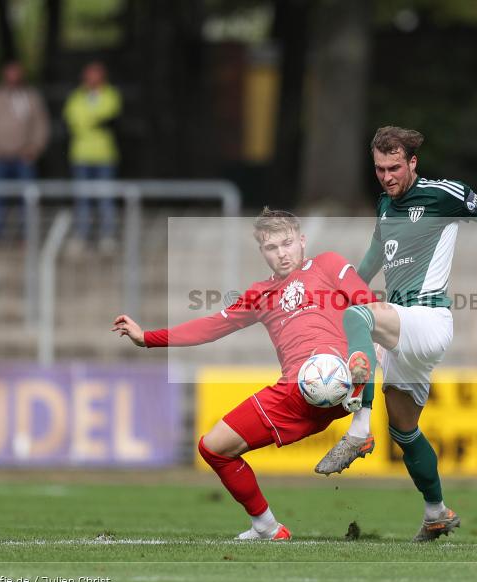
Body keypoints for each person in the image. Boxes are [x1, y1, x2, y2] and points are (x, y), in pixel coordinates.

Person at [314, 126, 477, 541]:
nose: (387, 176)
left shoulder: (443, 194)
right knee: (404, 428)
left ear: (413, 162)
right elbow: (374, 257)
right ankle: (436, 513)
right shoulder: (384, 205)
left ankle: (358, 432)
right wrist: (341, 293)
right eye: (379, 168)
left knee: (361, 319)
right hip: (402, 330)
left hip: (427, 320)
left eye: (395, 167)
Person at [112, 208, 375, 540]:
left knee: (339, 354)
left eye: (288, 243)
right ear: (262, 252)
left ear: (302, 240)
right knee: (214, 447)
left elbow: (367, 304)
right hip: (295, 395)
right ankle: (266, 526)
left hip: (332, 370)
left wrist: (371, 345)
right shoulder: (259, 294)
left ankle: (354, 381)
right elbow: (210, 327)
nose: (282, 253)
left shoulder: (329, 265)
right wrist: (147, 339)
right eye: (272, 248)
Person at [0, 60, 50, 241]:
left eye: (17, 73)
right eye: (10, 73)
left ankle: (27, 235)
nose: (13, 77)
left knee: (27, 198)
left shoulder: (31, 97)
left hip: (24, 157)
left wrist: (35, 148)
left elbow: (41, 125)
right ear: (4, 74)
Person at [63, 61, 122, 255]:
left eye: (96, 74)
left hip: (105, 155)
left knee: (106, 197)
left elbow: (110, 115)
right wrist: (94, 120)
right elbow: (73, 119)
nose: (92, 78)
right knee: (82, 198)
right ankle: (82, 235)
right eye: (89, 74)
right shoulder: (76, 97)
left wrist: (88, 120)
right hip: (81, 155)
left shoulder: (111, 94)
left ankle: (108, 236)